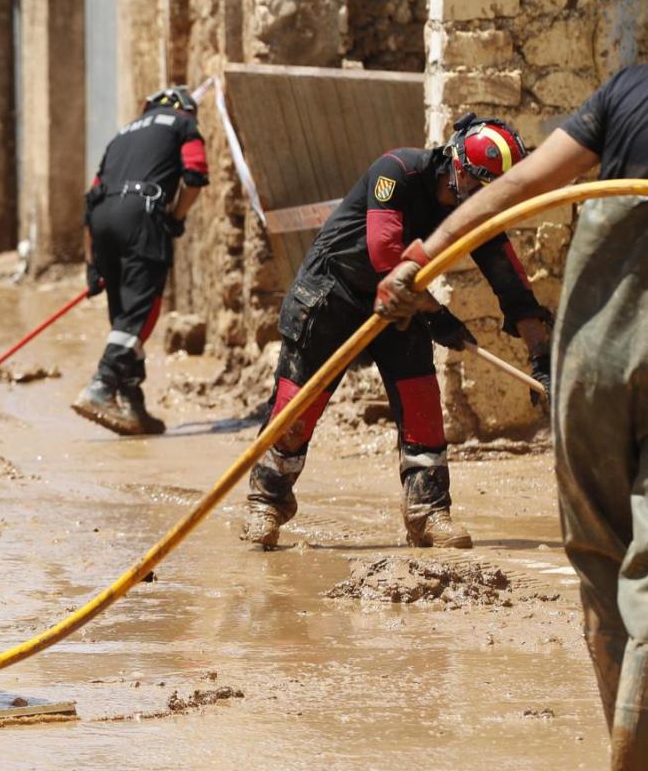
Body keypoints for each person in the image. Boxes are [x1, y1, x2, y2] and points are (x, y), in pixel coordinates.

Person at [375, 70, 648, 763]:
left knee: (601, 557)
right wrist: (419, 283)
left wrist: (422, 266)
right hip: (348, 300)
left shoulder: (632, 90)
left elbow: (513, 201)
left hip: (599, 358)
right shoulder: (399, 173)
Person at [242, 113, 553, 551]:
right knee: (297, 409)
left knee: (422, 402)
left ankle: (428, 512)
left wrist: (541, 354)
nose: (485, 198)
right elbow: (385, 254)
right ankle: (267, 503)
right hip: (335, 296)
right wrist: (438, 315)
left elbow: (510, 278)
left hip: (403, 307)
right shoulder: (398, 172)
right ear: (456, 164)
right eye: (480, 186)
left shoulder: (473, 203)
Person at [71, 85, 209, 435]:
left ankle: (132, 405)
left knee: (122, 314)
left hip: (103, 223)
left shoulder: (119, 137)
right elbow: (195, 174)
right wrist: (176, 216)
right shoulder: (184, 123)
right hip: (141, 217)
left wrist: (92, 266)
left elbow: (91, 200)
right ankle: (101, 387)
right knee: (142, 310)